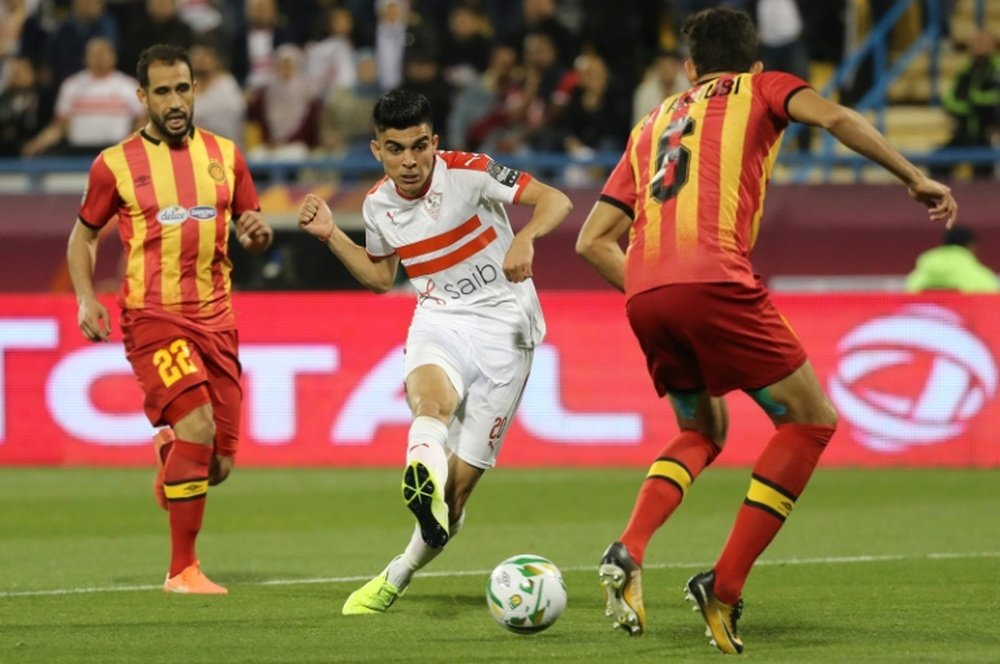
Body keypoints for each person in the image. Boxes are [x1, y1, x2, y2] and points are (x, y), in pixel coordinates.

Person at [575, 7, 957, 655]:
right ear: (754, 63)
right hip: (716, 281)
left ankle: (630, 545)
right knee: (810, 422)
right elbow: (837, 117)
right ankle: (722, 588)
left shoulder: (652, 121)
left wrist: (651, 286)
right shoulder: (764, 87)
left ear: (689, 68)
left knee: (700, 430)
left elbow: (591, 241)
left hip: (645, 291)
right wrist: (914, 177)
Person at [297, 89, 572, 615]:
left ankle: (398, 571)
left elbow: (556, 199)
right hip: (439, 317)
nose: (409, 161)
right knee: (430, 405)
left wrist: (527, 237)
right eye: (396, 149)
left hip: (506, 329)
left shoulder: (471, 171)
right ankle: (422, 476)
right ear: (377, 149)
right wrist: (332, 233)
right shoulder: (377, 205)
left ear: (435, 143)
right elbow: (381, 277)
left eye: (420, 147)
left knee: (457, 496)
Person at [67, 43, 274, 594]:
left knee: (218, 463)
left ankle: (170, 455)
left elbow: (250, 220)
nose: (176, 100)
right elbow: (82, 237)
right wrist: (87, 298)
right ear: (143, 97)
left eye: (183, 88)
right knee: (197, 428)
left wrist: (256, 233)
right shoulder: (115, 164)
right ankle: (182, 570)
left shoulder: (227, 155)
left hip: (219, 321)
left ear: (194, 89)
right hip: (153, 318)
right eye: (163, 91)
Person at [906, 224, 998, 293]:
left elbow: (910, 290)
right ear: (971, 246)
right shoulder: (981, 276)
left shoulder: (921, 271)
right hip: (960, 317)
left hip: (921, 317)